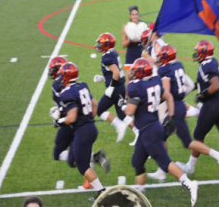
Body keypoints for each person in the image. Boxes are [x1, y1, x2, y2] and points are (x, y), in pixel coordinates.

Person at [122, 58, 199, 206]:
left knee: (164, 162)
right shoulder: (155, 81)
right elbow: (169, 97)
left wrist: (124, 104)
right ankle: (140, 193)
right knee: (138, 161)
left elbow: (130, 111)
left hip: (149, 131)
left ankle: (189, 183)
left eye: (135, 71)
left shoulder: (135, 87)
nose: (132, 73)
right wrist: (170, 117)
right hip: (152, 127)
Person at [146, 45, 219, 183]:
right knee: (162, 138)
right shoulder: (178, 65)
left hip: (175, 109)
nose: (158, 58)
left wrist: (151, 101)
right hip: (179, 105)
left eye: (161, 56)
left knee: (188, 142)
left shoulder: (164, 70)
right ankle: (162, 170)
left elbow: (165, 92)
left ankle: (217, 155)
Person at [176, 40, 219, 175]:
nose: (196, 54)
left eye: (198, 52)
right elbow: (207, 82)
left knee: (198, 136)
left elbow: (215, 85)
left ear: (204, 53)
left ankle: (190, 167)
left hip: (212, 105)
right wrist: (198, 88)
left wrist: (201, 95)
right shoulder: (211, 61)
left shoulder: (206, 66)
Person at [48, 57, 109, 190]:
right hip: (82, 124)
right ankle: (94, 158)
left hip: (73, 123)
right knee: (66, 156)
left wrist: (58, 118)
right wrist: (87, 118)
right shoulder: (82, 85)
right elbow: (94, 105)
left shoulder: (62, 89)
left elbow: (71, 114)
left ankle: (97, 187)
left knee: (77, 161)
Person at [94, 33, 139, 144]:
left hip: (115, 89)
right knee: (122, 114)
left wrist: (111, 87)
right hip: (120, 88)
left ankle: (119, 126)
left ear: (106, 44)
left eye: (100, 43)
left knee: (99, 110)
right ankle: (138, 132)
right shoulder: (113, 53)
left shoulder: (106, 57)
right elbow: (113, 73)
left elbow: (116, 72)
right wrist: (103, 78)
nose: (98, 45)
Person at [122, 6, 148, 79]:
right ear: (130, 16)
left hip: (141, 55)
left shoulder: (142, 26)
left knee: (142, 80)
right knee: (129, 81)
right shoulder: (126, 27)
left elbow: (147, 43)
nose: (135, 16)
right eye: (133, 14)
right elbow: (123, 45)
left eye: (136, 14)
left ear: (138, 15)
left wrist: (143, 39)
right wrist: (131, 38)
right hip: (130, 56)